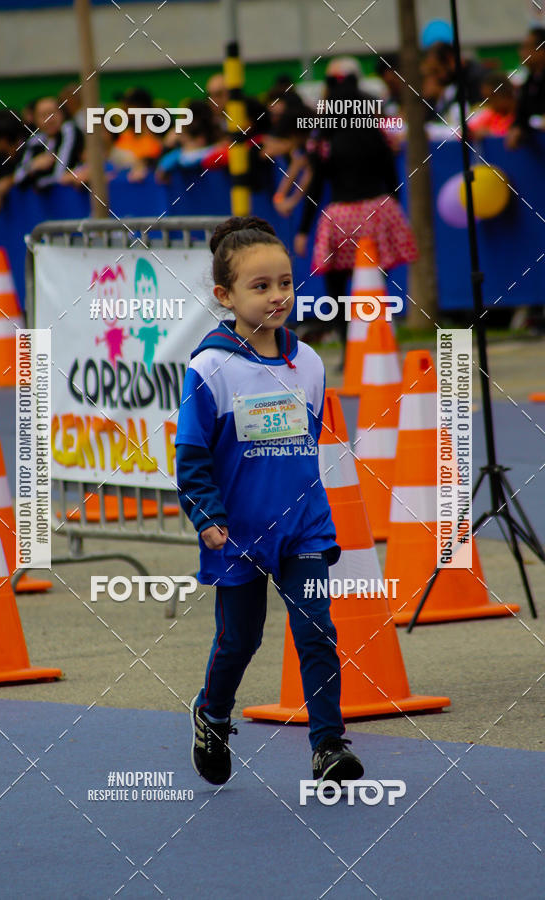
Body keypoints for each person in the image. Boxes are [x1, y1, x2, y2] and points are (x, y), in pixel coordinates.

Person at [175, 215, 365, 788]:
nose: (277, 295)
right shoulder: (209, 369)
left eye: (284, 282)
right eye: (260, 287)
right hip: (237, 534)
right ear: (225, 296)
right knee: (242, 638)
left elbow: (301, 444)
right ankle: (212, 712)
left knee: (316, 630)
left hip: (303, 527)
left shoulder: (307, 363)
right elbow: (192, 455)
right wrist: (207, 515)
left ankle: (327, 747)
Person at [294, 61, 417, 346]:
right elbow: (391, 176)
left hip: (341, 217)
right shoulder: (376, 132)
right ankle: (378, 343)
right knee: (373, 284)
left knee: (336, 287)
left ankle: (349, 346)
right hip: (377, 212)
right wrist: (394, 216)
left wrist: (303, 230)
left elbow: (316, 186)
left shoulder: (325, 139)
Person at [13, 96, 84, 190]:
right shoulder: (34, 141)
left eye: (53, 113)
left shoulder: (69, 130)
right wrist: (33, 166)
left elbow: (60, 176)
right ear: (35, 119)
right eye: (43, 115)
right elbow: (17, 178)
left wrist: (40, 181)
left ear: (62, 114)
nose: (50, 120)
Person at [506, 27, 545, 148]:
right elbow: (522, 114)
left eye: (527, 47)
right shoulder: (530, 81)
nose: (521, 53)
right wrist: (517, 128)